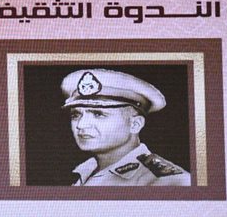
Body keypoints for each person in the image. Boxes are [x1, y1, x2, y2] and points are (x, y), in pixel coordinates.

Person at [62, 68, 190, 186]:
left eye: (98, 114)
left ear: (135, 124)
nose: (81, 124)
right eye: (76, 115)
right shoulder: (84, 172)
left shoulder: (167, 182)